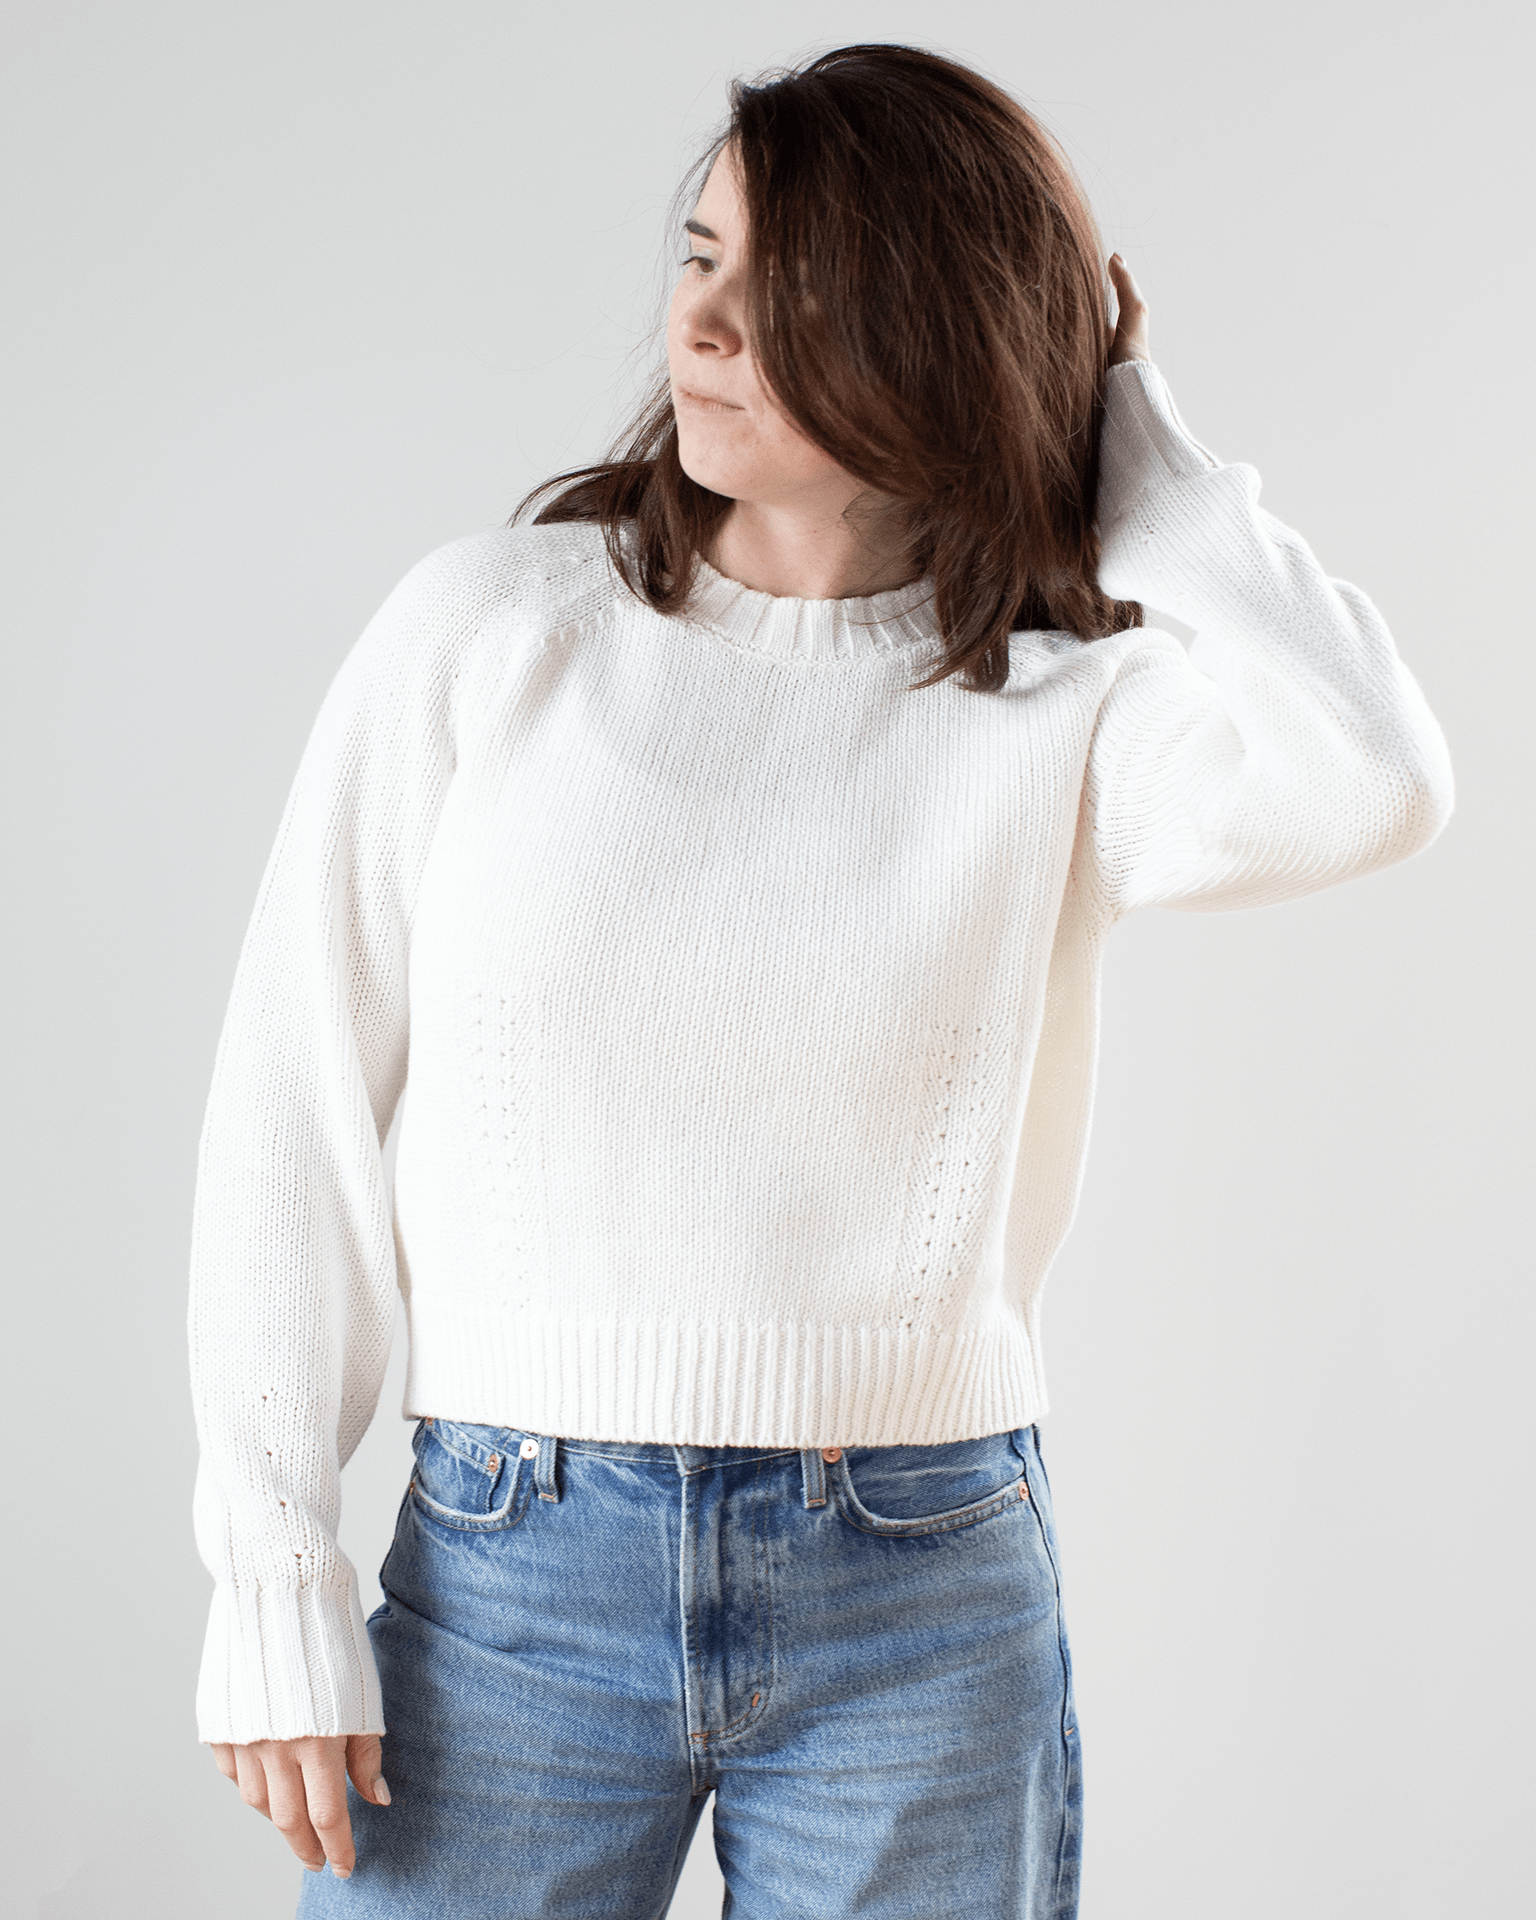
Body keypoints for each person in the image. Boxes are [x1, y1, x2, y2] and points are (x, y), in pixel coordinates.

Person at [188, 42, 1453, 1920]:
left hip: (923, 1586)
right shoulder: (488, 633)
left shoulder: (1060, 717)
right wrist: (273, 1575)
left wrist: (1143, 458)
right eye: (696, 259)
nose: (699, 327)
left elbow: (1377, 776)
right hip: (513, 1577)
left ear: (931, 336)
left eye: (776, 297)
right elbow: (293, 1099)